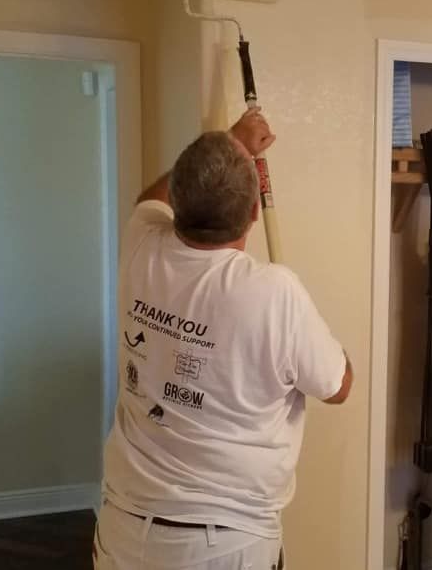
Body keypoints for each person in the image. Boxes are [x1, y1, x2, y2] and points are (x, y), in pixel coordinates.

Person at [93, 109, 353, 570]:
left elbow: (148, 200)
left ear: (176, 200)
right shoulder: (275, 291)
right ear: (255, 212)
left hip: (125, 530)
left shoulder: (141, 244)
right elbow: (338, 386)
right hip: (225, 544)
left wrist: (233, 141)